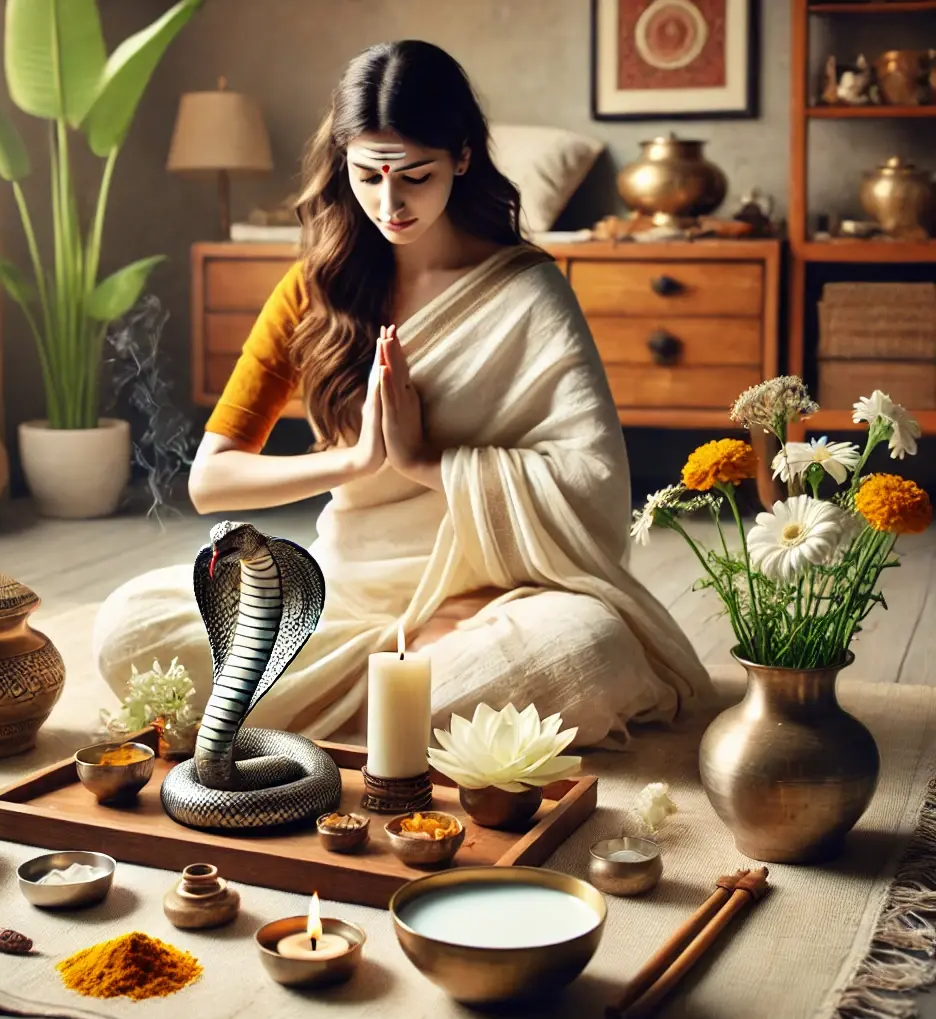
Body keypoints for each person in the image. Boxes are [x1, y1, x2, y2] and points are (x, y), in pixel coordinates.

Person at [93, 39, 710, 748]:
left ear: (462, 158)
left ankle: (324, 707)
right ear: (343, 163)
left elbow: (592, 481)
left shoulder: (527, 291)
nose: (391, 203)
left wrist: (424, 463)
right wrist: (360, 460)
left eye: (416, 175)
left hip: (492, 608)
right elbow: (212, 481)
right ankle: (395, 703)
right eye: (367, 176)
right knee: (132, 627)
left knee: (585, 651)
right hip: (341, 602)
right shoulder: (315, 288)